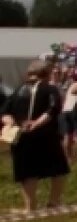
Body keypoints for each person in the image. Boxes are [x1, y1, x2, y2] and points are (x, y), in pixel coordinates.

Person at [2, 60, 69, 211]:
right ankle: (54, 201)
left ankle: (30, 206)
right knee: (58, 168)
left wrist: (10, 122)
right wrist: (37, 123)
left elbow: (5, 112)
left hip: (21, 135)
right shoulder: (50, 89)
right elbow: (52, 109)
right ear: (47, 73)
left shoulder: (18, 90)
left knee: (27, 172)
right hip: (45, 135)